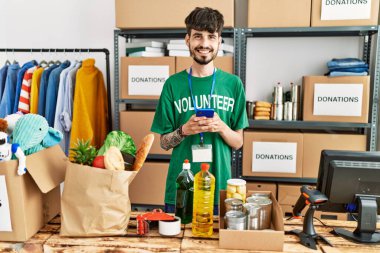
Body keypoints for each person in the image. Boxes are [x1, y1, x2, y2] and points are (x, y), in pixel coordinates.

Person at [151, 7, 249, 213]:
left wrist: (222, 127)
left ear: (219, 41)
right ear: (187, 40)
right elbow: (163, 143)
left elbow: (238, 142)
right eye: (197, 36)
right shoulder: (172, 84)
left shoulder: (233, 84)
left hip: (220, 191)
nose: (204, 44)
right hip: (182, 188)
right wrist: (184, 130)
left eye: (211, 37)